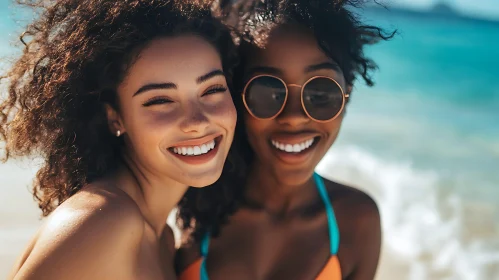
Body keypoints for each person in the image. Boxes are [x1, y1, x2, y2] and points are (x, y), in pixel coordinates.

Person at [0, 0, 238, 279]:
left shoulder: (162, 239)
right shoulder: (106, 222)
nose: (197, 122)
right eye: (160, 100)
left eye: (212, 89)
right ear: (116, 118)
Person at [176, 0, 394, 279]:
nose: (294, 117)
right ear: (236, 96)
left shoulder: (357, 221)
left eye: (320, 92)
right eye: (268, 91)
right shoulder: (192, 203)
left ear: (347, 94)